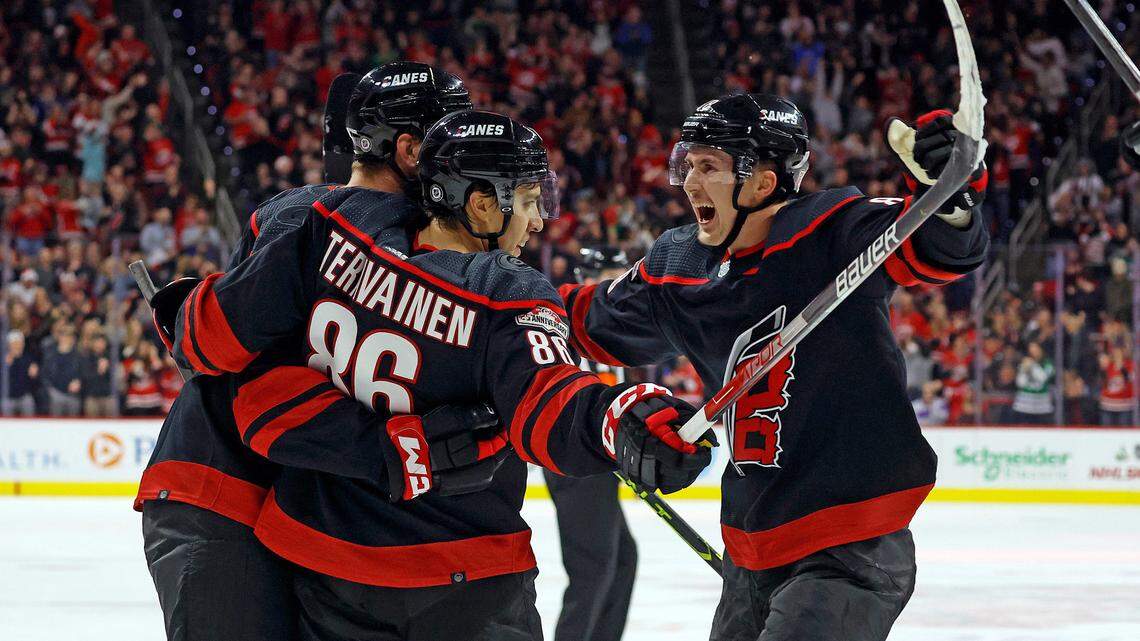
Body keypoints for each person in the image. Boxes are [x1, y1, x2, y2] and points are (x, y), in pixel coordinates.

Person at [166, 109, 713, 639]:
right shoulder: (506, 290)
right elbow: (548, 403)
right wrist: (617, 417)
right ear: (481, 204)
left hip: (325, 567)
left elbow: (245, 378)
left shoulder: (338, 228)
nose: (538, 220)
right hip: (461, 574)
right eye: (528, 201)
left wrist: (184, 311)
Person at [559, 94, 989, 641]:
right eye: (688, 164)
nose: (690, 182)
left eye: (708, 166)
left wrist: (949, 196)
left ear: (762, 182)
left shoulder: (831, 231)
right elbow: (579, 323)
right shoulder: (679, 266)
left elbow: (938, 248)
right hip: (751, 542)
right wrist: (500, 302)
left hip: (850, 541)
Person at [136, 62, 494, 641]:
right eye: (449, 141)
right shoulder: (312, 220)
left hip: (285, 503)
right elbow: (250, 375)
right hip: (223, 488)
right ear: (409, 151)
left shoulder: (389, 234)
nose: (466, 158)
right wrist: (397, 449)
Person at [544, 245, 638, 641]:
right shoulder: (565, 325)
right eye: (610, 278)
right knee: (593, 570)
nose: (618, 287)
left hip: (598, 461)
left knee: (623, 562)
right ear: (585, 281)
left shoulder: (611, 329)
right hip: (576, 461)